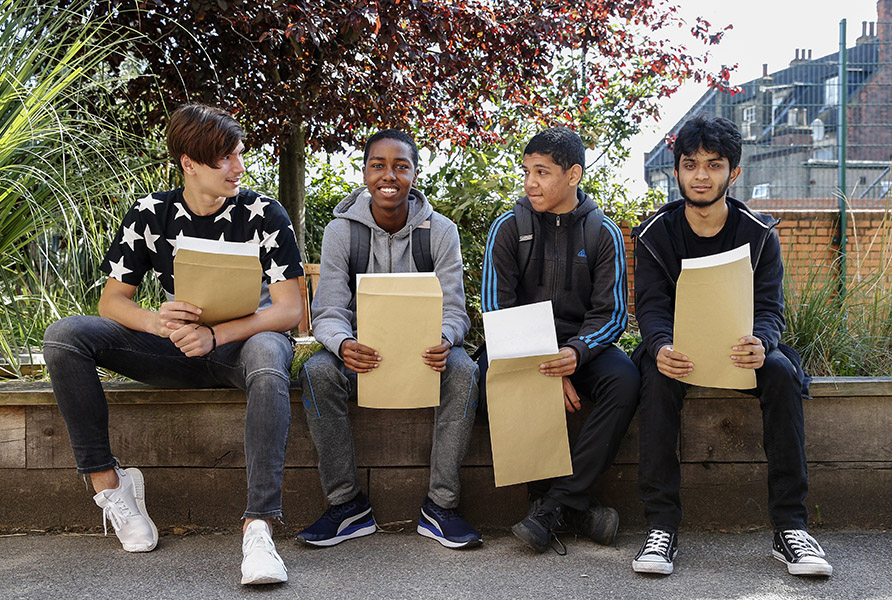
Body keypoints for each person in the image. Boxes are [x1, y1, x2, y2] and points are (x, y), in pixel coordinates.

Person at [42, 104, 303, 586]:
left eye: (238, 155)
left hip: (242, 346)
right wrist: (158, 324)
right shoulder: (151, 212)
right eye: (224, 159)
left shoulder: (264, 212)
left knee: (270, 356)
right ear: (189, 163)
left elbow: (289, 310)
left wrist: (215, 335)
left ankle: (259, 527)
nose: (238, 168)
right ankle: (111, 486)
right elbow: (112, 301)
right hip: (175, 347)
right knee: (64, 336)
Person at [630, 114, 832, 577]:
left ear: (733, 173)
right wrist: (660, 345)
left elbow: (770, 305)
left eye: (713, 165)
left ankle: (790, 528)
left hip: (744, 348)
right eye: (690, 164)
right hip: (678, 349)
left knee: (781, 372)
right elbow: (652, 305)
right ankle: (661, 528)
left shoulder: (759, 233)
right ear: (677, 170)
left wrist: (763, 341)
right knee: (655, 379)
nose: (701, 175)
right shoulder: (655, 234)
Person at [297, 129, 482, 550]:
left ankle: (441, 506)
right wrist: (343, 344)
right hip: (361, 354)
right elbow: (328, 311)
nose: (389, 175)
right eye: (378, 165)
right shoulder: (341, 232)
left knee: (465, 372)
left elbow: (455, 309)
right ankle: (347, 506)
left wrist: (444, 338)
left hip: (425, 352)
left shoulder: (440, 231)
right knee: (316, 372)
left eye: (401, 166)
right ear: (364, 172)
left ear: (415, 173)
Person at [481, 126, 640, 554]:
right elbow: (498, 311)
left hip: (581, 347)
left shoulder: (602, 233)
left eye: (542, 172)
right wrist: (546, 369)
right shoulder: (507, 229)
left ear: (573, 175)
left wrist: (575, 354)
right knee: (490, 377)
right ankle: (573, 507)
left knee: (625, 380)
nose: (530, 182)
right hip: (523, 345)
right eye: (526, 171)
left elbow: (612, 314)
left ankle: (553, 504)